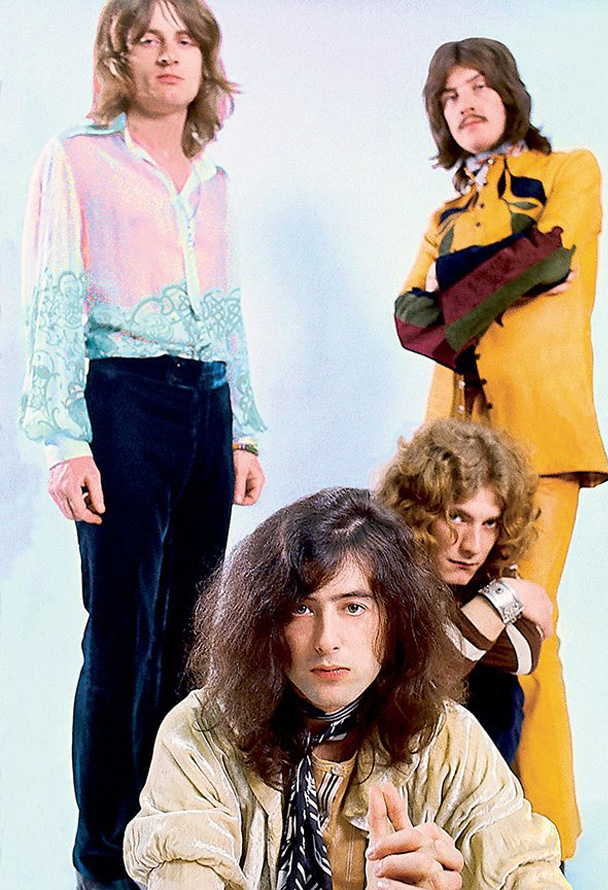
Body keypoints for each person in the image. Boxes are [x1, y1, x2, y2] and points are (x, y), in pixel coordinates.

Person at [19, 1, 265, 886]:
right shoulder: (78, 158)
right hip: (122, 401)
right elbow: (52, 295)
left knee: (192, 635)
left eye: (185, 40)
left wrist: (243, 429)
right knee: (121, 635)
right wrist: (64, 441)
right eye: (148, 40)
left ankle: (173, 840)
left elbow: (228, 312)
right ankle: (104, 860)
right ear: (119, 57)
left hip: (207, 406)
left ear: (205, 60)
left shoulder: (215, 179)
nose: (169, 55)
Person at [123, 487, 569, 889]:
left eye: (353, 607)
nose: (327, 640)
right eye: (301, 608)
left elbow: (529, 871)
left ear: (395, 620)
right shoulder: (200, 734)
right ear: (265, 621)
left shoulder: (448, 738)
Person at [393, 37, 608, 858]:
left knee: (524, 636)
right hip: (455, 458)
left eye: (479, 86)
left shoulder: (570, 171)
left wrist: (458, 294)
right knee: (454, 641)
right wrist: (505, 274)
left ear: (510, 93)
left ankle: (544, 841)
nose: (466, 104)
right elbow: (409, 319)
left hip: (542, 439)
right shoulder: (442, 218)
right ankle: (468, 833)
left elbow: (554, 255)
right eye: (449, 97)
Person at [377, 418, 553, 767]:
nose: (473, 546)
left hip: (469, 770)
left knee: (498, 687)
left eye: (489, 523)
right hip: (390, 758)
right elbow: (437, 668)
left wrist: (477, 619)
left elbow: (525, 653)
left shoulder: (481, 573)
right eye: (457, 517)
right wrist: (507, 596)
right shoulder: (382, 569)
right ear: (420, 512)